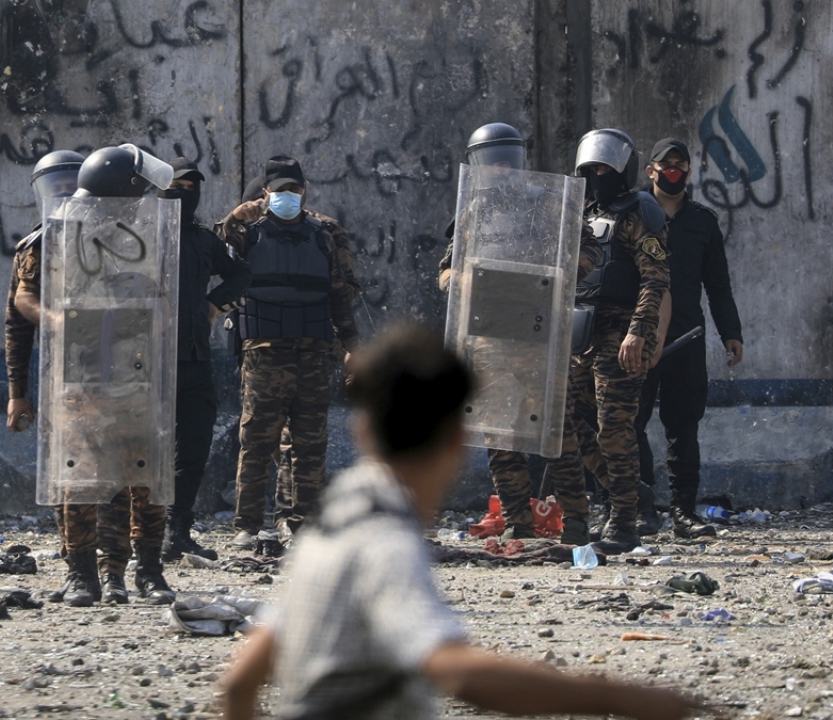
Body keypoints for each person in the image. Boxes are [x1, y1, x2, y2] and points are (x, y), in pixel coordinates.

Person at [219, 325, 701, 720]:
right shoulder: (385, 542)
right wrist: (615, 698)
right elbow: (458, 673)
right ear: (455, 442)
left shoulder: (331, 520)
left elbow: (240, 682)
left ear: (362, 431)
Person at [7, 146, 176, 606]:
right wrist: (56, 320)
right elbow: (23, 298)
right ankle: (81, 574)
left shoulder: (138, 234)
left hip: (136, 374)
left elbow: (161, 297)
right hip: (79, 377)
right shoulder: (54, 235)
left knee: (142, 476)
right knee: (79, 478)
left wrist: (154, 319)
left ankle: (138, 572)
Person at [435, 122, 602, 541]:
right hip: (489, 334)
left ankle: (577, 520)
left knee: (555, 429)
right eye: (493, 162)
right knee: (499, 431)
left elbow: (590, 251)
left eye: (509, 160)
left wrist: (558, 275)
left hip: (538, 331)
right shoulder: (472, 212)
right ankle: (517, 521)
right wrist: (462, 279)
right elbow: (444, 272)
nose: (502, 169)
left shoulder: (549, 205)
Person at [218, 156, 361, 549]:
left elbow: (340, 296)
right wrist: (235, 217)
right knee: (257, 441)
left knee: (310, 443)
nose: (287, 196)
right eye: (279, 190)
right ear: (266, 192)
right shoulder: (246, 230)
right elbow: (212, 251)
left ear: (305, 192)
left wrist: (351, 348)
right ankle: (247, 525)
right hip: (264, 353)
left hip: (314, 353)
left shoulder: (324, 233)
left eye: (293, 190)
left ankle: (302, 523)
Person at [543, 128, 670, 553]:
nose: (598, 176)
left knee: (615, 429)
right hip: (580, 331)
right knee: (574, 426)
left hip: (620, 331)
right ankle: (629, 495)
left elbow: (655, 279)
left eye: (605, 168)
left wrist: (640, 331)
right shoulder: (582, 213)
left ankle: (624, 523)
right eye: (591, 169)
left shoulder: (641, 211)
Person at [638, 138, 743, 539]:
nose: (673, 171)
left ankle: (684, 513)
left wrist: (730, 333)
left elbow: (718, 285)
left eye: (680, 164)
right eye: (666, 164)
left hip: (686, 337)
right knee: (629, 423)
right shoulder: (634, 213)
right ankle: (640, 510)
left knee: (683, 426)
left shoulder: (702, 221)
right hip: (639, 337)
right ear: (651, 170)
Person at [159, 158, 251, 561]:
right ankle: (135, 533)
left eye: (191, 186)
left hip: (193, 360)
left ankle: (176, 529)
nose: (184, 193)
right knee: (143, 450)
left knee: (192, 448)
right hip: (146, 362)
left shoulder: (202, 239)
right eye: (176, 185)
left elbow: (242, 276)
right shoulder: (139, 234)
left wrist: (215, 305)